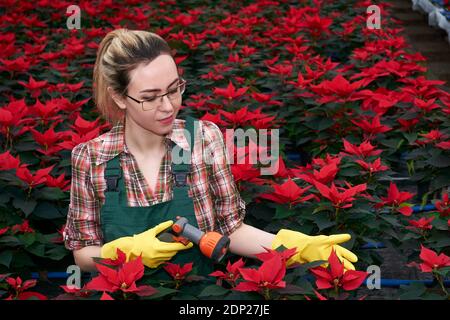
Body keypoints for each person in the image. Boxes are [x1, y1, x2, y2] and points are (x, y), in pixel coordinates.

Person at [63, 29, 358, 277]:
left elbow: (233, 231)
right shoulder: (90, 159)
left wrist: (293, 248)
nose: (168, 106)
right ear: (119, 97)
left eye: (174, 89)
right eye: (150, 98)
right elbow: (83, 255)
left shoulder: (204, 139)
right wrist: (122, 251)